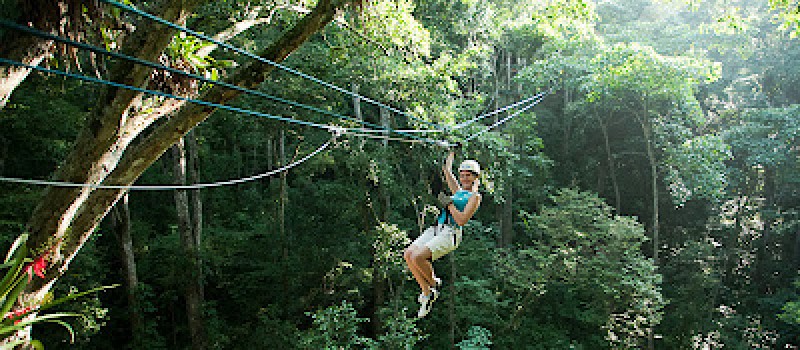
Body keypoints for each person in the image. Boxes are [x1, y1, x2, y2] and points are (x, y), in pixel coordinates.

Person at [403, 150, 482, 318]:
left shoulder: (475, 197)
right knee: (408, 254)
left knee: (418, 257)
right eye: (462, 175)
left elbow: (461, 220)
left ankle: (433, 284)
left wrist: (449, 204)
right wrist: (452, 152)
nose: (465, 178)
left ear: (476, 177)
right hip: (437, 228)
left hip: (451, 233)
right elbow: (447, 170)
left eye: (469, 175)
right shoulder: (458, 191)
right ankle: (427, 292)